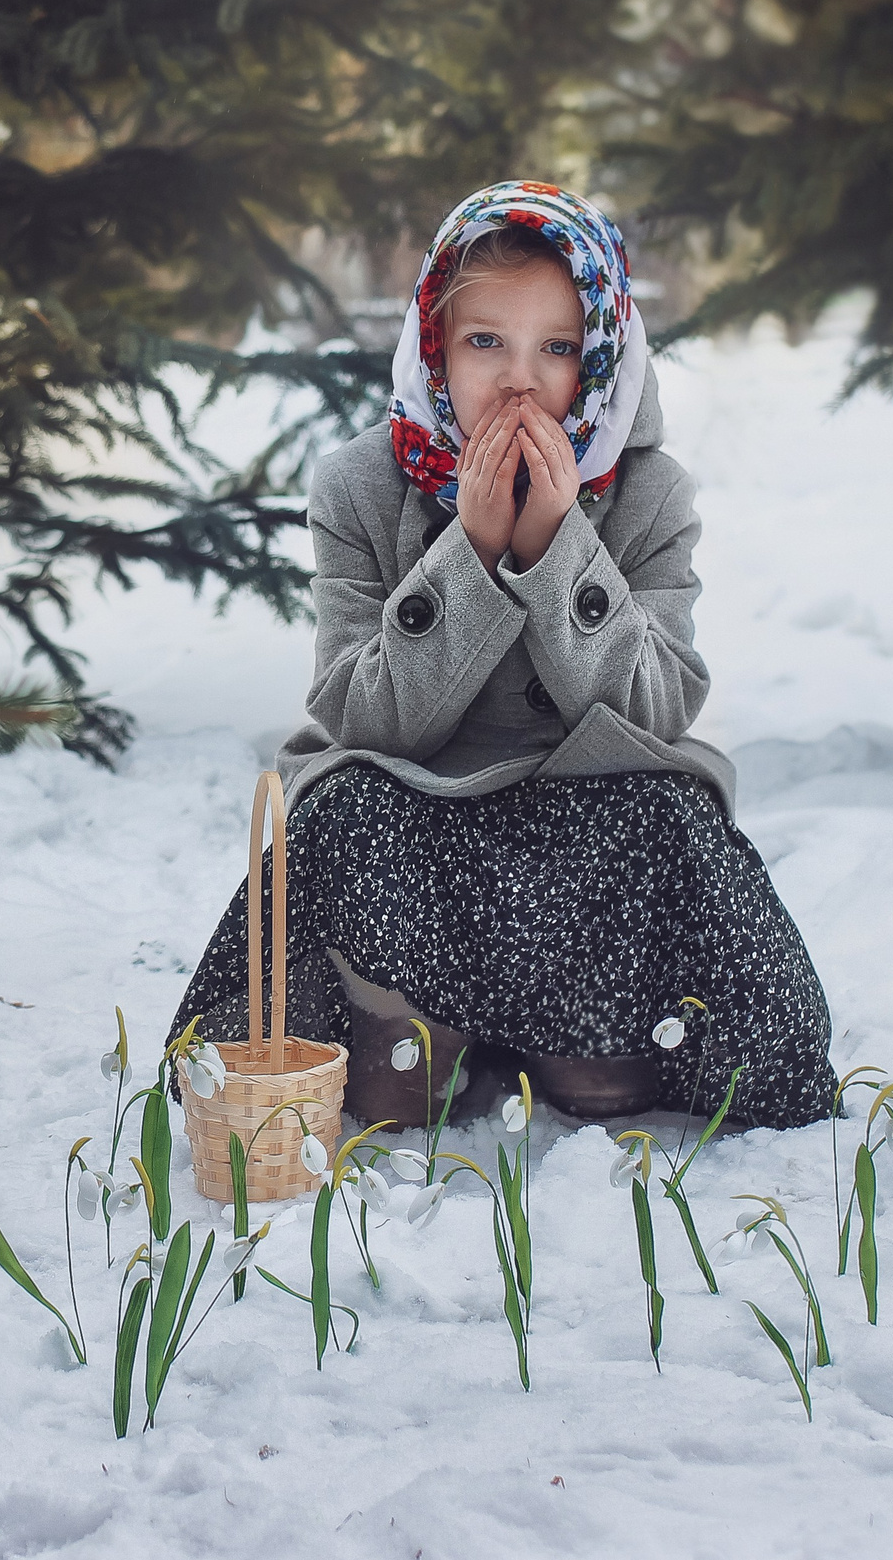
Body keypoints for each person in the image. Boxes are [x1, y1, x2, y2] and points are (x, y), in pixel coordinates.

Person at [164, 180, 836, 1131]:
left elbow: (656, 712)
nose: (521, 383)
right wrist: (468, 557)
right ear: (435, 348)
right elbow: (360, 715)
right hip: (422, 825)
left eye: (558, 349)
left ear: (600, 358)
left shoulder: (650, 494)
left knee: (670, 810)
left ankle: (594, 1033)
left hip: (583, 831)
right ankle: (398, 1015)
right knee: (346, 807)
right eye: (486, 343)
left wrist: (560, 548)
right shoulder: (358, 486)